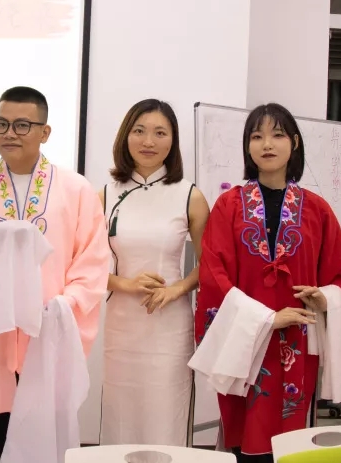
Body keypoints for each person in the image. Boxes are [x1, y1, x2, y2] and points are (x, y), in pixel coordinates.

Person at [0, 86, 111, 460]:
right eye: (2, 124)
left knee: (49, 441)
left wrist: (65, 305)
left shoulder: (76, 189)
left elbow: (93, 259)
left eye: (22, 125)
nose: (9, 133)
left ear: (45, 132)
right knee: (5, 444)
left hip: (51, 331)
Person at [192, 103, 341, 463]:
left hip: (298, 338)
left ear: (294, 143)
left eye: (277, 134)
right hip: (245, 342)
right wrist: (267, 319)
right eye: (257, 136)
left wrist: (325, 297)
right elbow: (213, 274)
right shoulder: (228, 206)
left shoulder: (316, 209)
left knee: (292, 444)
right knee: (245, 438)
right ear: (247, 146)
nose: (267, 144)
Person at [98, 99, 209, 446]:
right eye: (140, 131)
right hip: (122, 325)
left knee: (166, 416)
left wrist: (177, 289)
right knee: (121, 416)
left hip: (169, 326)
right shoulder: (105, 195)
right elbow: (85, 267)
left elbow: (210, 265)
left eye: (160, 133)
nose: (149, 141)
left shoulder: (189, 195)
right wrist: (126, 284)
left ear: (173, 141)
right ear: (125, 136)